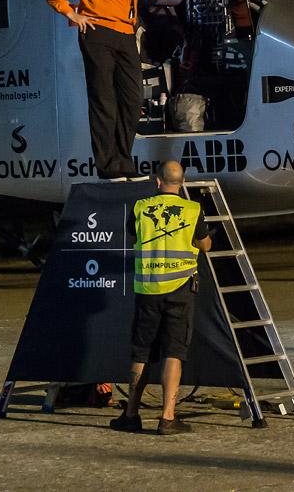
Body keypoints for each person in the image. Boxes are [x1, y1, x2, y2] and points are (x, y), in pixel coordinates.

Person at [38, 0, 206, 179]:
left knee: (131, 99)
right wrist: (70, 12)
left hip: (126, 34)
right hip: (98, 33)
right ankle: (109, 168)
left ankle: (123, 162)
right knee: (104, 100)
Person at [110, 160, 211, 434]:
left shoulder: (141, 208)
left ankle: (130, 413)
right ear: (182, 183)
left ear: (157, 181)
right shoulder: (192, 210)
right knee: (173, 352)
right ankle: (167, 417)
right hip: (180, 289)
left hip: (147, 289)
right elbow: (204, 244)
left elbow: (133, 238)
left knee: (141, 352)